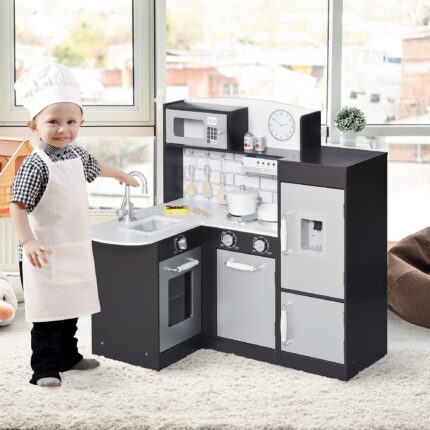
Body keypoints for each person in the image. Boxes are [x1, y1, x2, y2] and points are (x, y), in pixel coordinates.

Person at [10, 63, 139, 388]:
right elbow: (18, 205)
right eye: (53, 122)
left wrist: (120, 174)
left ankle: (68, 356)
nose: (63, 129)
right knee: (47, 316)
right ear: (34, 125)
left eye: (70, 122)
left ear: (80, 122)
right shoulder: (35, 164)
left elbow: (97, 166)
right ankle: (44, 368)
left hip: (74, 247)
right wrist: (28, 241)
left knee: (71, 310)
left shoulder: (76, 155)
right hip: (43, 253)